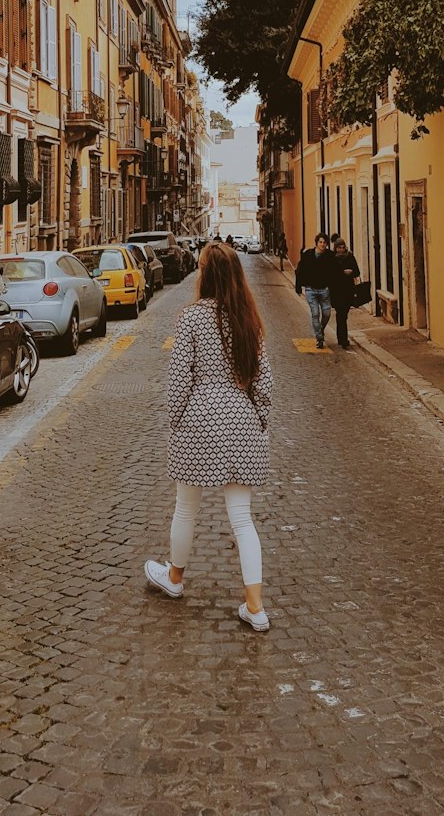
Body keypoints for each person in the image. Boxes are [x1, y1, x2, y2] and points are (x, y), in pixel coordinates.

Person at [144, 241, 275, 632]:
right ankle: (255, 606)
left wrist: (177, 420)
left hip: (198, 422)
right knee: (242, 519)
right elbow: (264, 382)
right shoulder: (249, 318)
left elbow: (179, 379)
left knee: (186, 508)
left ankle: (174, 579)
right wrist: (257, 420)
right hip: (241, 422)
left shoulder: (191, 318)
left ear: (206, 275)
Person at [295, 232, 338, 348]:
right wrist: (298, 286)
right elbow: (300, 270)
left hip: (324, 290)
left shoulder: (330, 256)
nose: (323, 244)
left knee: (326, 314)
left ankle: (320, 330)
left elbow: (335, 273)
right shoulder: (308, 255)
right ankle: (319, 338)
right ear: (317, 243)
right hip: (311, 290)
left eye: (325, 243)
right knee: (315, 314)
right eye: (321, 242)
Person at [330, 237, 361, 349]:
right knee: (340, 314)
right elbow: (330, 274)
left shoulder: (350, 257)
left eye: (343, 247)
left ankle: (341, 338)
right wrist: (342, 273)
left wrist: (351, 272)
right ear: (336, 248)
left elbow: (357, 272)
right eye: (339, 248)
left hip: (348, 290)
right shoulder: (332, 259)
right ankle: (343, 339)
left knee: (344, 315)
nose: (342, 250)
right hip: (336, 291)